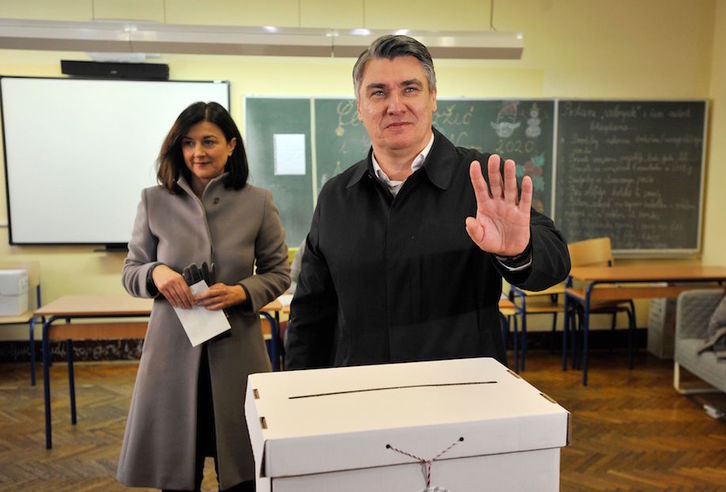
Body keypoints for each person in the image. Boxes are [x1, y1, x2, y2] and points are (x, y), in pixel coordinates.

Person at [284, 35, 570, 370]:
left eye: (410, 89)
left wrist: (518, 252)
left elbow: (556, 260)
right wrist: (297, 391)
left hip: (461, 397)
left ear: (433, 97)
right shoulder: (336, 196)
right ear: (359, 107)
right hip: (361, 396)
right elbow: (310, 314)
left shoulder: (479, 180)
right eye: (378, 92)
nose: (395, 105)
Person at [117, 101, 290, 491]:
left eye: (209, 141)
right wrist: (156, 272)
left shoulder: (257, 201)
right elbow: (131, 272)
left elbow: (280, 273)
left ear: (231, 145)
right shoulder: (153, 200)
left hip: (238, 356)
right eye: (188, 143)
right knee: (177, 478)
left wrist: (241, 291)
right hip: (171, 360)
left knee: (244, 475)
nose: (198, 152)